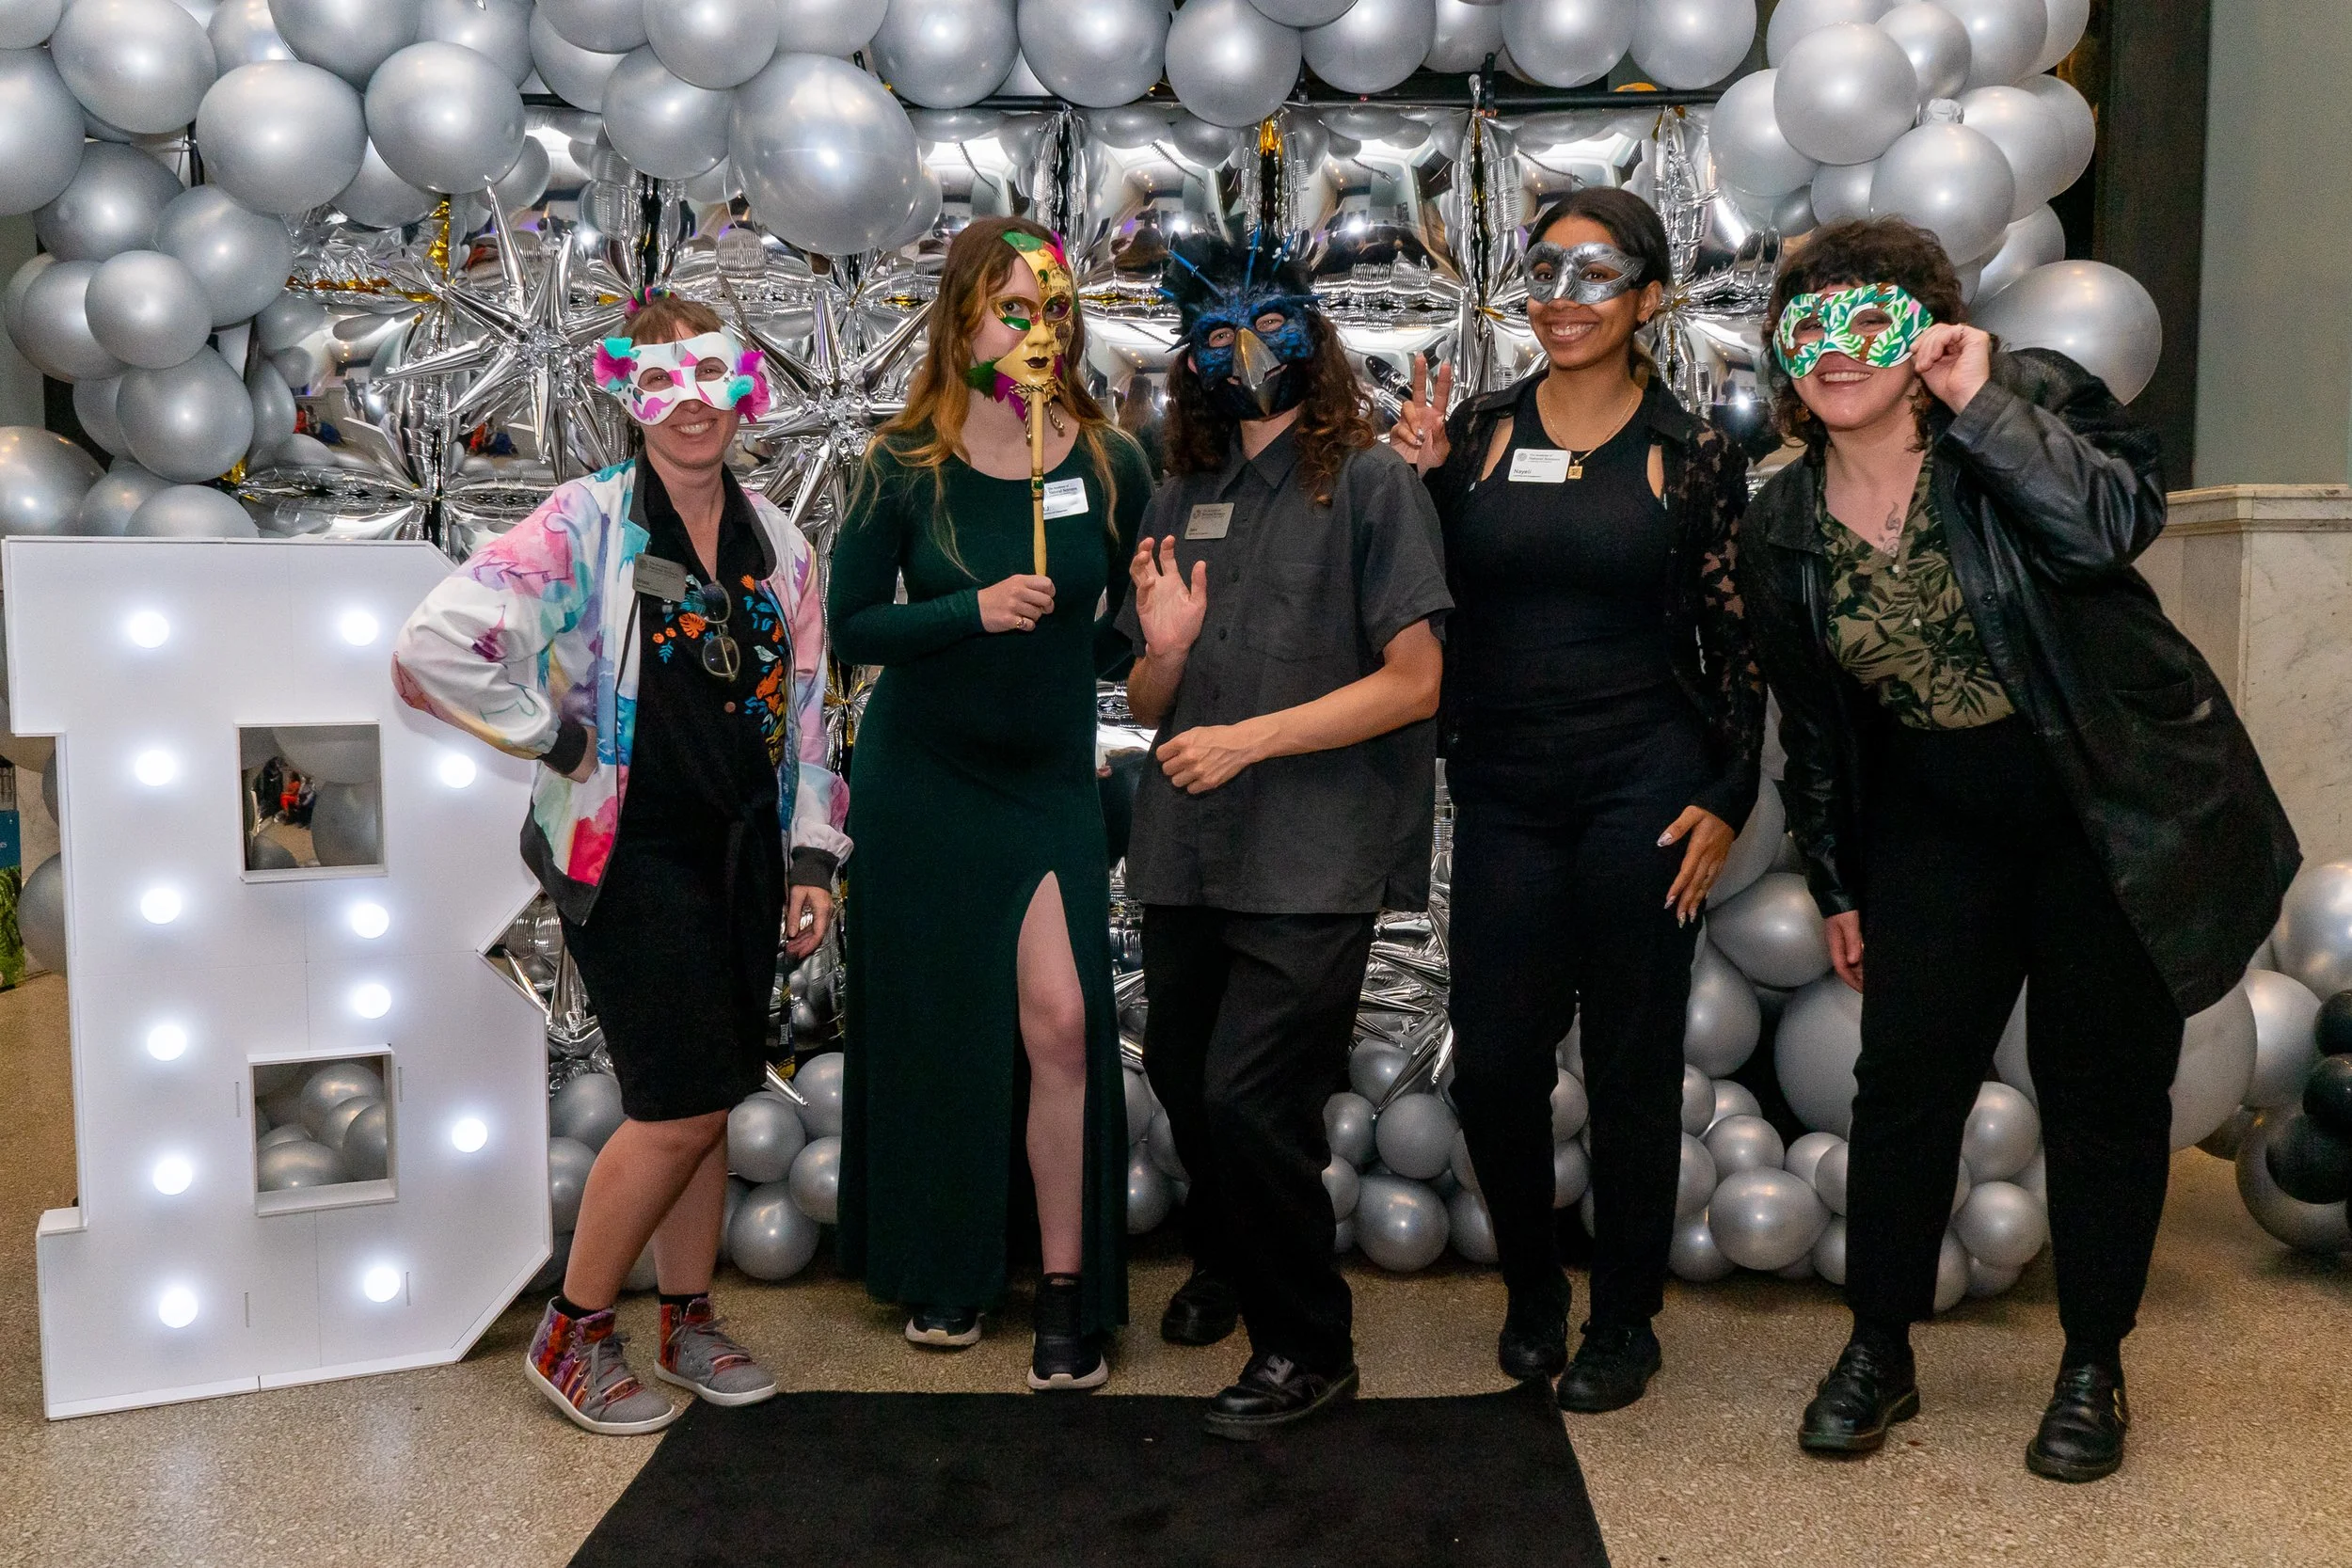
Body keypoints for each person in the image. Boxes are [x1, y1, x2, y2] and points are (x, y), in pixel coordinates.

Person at [1737, 218, 2297, 1481]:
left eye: (1870, 318)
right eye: (1809, 326)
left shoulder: (2026, 403)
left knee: (2102, 1095)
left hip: (2107, 807)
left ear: (1927, 327)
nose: (1838, 349)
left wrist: (1982, 402)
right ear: (1784, 353)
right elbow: (1815, 729)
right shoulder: (1781, 523)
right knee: (1903, 1090)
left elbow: (2108, 526)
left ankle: (2094, 1362)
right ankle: (1879, 1344)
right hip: (1939, 823)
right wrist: (1837, 879)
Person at [393, 294, 849, 1434]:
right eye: (661, 380)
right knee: (677, 1104)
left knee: (710, 1094)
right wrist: (552, 734)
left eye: (711, 379)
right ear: (626, 395)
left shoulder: (780, 545)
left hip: (743, 850)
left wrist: (811, 856)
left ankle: (686, 1316)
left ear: (744, 390)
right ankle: (573, 1327)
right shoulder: (584, 524)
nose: (691, 404)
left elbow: (807, 715)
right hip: (628, 852)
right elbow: (433, 644)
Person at [1387, 186, 1763, 1409]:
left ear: (1648, 298)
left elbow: (1736, 641)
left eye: (1597, 274)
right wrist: (1420, 487)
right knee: (1495, 1061)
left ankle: (1626, 1319)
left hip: (1643, 786)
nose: (1564, 298)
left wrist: (1728, 791)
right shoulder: (1477, 434)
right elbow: (1431, 598)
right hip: (1506, 785)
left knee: (1631, 1063)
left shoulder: (1691, 451)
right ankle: (1535, 1287)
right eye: (1544, 271)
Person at [1124, 233, 1451, 1438]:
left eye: (1269, 324)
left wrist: (1250, 739)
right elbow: (1147, 700)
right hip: (1189, 846)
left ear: (1313, 337)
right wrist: (1165, 652)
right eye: (1216, 334)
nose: (1246, 351)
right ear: (1190, 361)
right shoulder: (1179, 493)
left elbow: (1415, 681)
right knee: (1186, 1080)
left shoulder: (1369, 483)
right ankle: (1232, 1253)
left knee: (1252, 1096)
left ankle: (1308, 1345)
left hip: (1313, 852)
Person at [830, 218, 1152, 1391]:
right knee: (941, 1025)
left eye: (1053, 307)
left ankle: (1066, 1288)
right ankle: (946, 1265)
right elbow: (852, 627)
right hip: (923, 783)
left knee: (1061, 1022)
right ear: (962, 315)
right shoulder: (901, 464)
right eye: (1013, 306)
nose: (1035, 328)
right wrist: (969, 610)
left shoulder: (1111, 462)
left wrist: (1145, 642)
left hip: (1047, 782)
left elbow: (1120, 633)